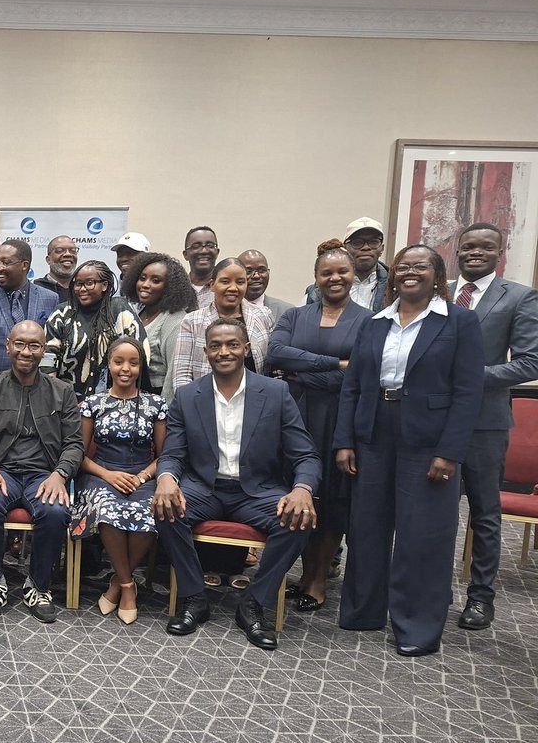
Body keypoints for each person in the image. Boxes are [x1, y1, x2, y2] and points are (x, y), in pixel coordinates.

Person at [335, 244, 484, 656]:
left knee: (423, 533)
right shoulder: (375, 322)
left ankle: (416, 626)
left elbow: (468, 392)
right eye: (403, 266)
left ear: (437, 276)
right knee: (366, 526)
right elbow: (353, 386)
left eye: (420, 266)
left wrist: (450, 451)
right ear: (393, 275)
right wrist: (345, 440)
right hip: (373, 432)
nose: (410, 272)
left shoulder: (459, 321)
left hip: (429, 439)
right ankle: (364, 611)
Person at [153, 318, 320, 649]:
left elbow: (306, 455)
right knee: (165, 509)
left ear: (246, 348)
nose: (224, 352)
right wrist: (166, 478)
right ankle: (193, 597)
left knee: (299, 520)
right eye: (215, 346)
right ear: (206, 352)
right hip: (205, 488)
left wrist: (302, 489)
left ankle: (253, 604)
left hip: (257, 491)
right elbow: (172, 453)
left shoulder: (275, 393)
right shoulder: (187, 396)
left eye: (232, 344)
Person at [267, 240, 372, 610]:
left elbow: (361, 373)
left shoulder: (369, 321)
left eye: (342, 271)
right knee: (297, 490)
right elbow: (276, 353)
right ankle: (300, 573)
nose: (335, 278)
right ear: (316, 277)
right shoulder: (295, 316)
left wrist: (303, 372)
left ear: (353, 275)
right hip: (295, 415)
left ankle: (317, 579)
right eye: (327, 272)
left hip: (341, 418)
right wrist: (335, 364)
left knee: (332, 499)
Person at [452, 222, 538, 631]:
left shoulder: (519, 297)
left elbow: (530, 362)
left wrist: (469, 378)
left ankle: (481, 597)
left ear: (500, 253)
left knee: (485, 512)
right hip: (432, 421)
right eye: (468, 246)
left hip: (484, 424)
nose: (476, 252)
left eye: (486, 247)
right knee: (431, 510)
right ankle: (427, 589)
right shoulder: (438, 292)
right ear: (457, 251)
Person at [0, 321, 83, 624]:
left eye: (34, 345)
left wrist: (60, 475)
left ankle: (38, 586)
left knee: (55, 511)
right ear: (8, 346)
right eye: (20, 343)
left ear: (44, 351)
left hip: (43, 474)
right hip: (2, 471)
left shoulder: (62, 392)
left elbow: (74, 445)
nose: (26, 351)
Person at [71, 336, 167, 624]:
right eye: (119, 362)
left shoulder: (156, 404)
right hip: (100, 474)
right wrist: (108, 475)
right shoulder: (93, 403)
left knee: (150, 511)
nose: (126, 369)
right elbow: (78, 454)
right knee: (107, 510)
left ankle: (117, 582)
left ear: (141, 367)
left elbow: (165, 455)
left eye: (133, 363)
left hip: (143, 476)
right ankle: (127, 586)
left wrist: (142, 476)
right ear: (108, 365)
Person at [169, 257, 275, 396]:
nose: (233, 288)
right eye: (225, 281)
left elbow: (273, 366)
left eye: (240, 282)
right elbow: (181, 375)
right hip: (205, 400)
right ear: (212, 285)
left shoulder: (263, 315)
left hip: (256, 399)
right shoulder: (192, 321)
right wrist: (193, 403)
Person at [44, 260, 145, 399]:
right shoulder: (62, 313)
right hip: (68, 400)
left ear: (104, 285)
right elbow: (48, 357)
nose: (82, 289)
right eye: (78, 284)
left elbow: (140, 354)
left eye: (89, 283)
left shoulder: (120, 310)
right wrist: (58, 398)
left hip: (116, 398)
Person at [0, 239, 59, 384]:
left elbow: (51, 349)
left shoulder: (50, 298)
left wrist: (47, 386)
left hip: (38, 388)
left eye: (5, 262)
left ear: (24, 265)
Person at [123, 252, 197, 397]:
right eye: (142, 278)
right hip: (133, 395)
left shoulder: (175, 320)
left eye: (155, 281)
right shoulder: (137, 313)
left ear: (170, 287)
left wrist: (163, 408)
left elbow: (173, 375)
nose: (145, 285)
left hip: (158, 397)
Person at [305, 218, 389, 311]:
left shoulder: (394, 289)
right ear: (345, 248)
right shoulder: (316, 292)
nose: (366, 247)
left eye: (374, 242)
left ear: (382, 248)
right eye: (357, 242)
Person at [239, 249, 293, 322]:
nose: (256, 276)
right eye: (248, 271)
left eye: (262, 270)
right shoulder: (226, 310)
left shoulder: (288, 311)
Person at [34, 235, 78, 303]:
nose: (68, 254)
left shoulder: (83, 289)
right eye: (59, 250)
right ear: (48, 260)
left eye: (73, 250)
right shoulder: (36, 290)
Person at [182, 226, 220, 302]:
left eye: (210, 245)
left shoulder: (227, 289)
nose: (204, 251)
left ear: (217, 252)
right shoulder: (175, 290)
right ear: (186, 255)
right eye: (196, 246)